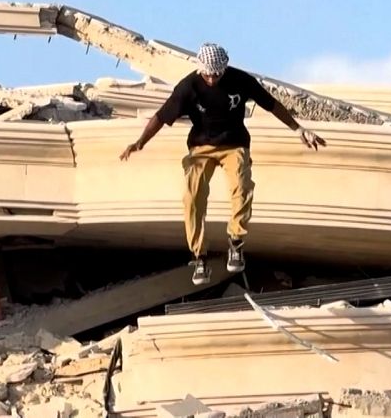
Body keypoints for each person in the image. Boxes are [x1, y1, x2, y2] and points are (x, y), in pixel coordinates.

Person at [120, 43, 326, 285]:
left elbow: (271, 105)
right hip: (201, 147)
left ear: (224, 68)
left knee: (242, 184)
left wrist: (298, 129)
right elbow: (161, 116)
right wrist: (140, 142)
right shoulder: (189, 87)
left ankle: (236, 241)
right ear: (200, 70)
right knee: (192, 195)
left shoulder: (241, 80)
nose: (212, 78)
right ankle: (199, 257)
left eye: (217, 74)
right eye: (207, 74)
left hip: (234, 143)